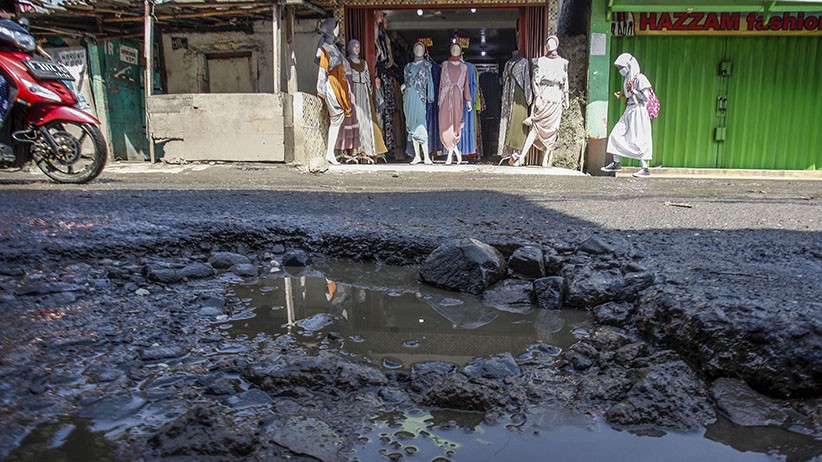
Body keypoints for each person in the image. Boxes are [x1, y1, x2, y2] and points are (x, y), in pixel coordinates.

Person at [602, 52, 654, 178]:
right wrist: (624, 95)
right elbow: (631, 95)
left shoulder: (640, 78)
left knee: (640, 138)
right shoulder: (628, 80)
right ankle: (616, 162)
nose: (621, 70)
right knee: (616, 133)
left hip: (639, 111)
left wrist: (634, 91)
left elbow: (646, 97)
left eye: (621, 67)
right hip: (629, 109)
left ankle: (645, 168)